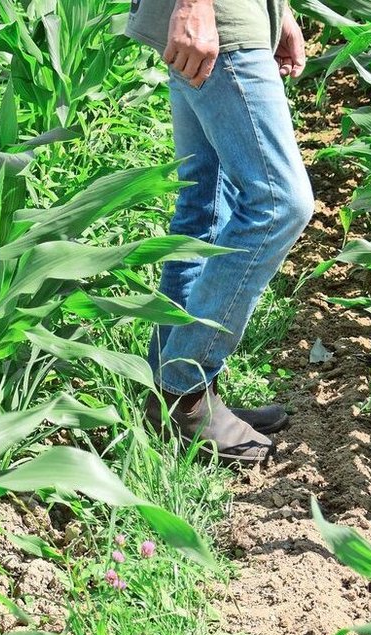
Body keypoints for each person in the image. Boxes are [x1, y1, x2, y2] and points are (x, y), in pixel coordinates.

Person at [125, 0, 315, 464]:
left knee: (204, 207)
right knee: (279, 204)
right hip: (217, 18)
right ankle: (183, 390)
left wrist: (278, 12)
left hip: (228, 15)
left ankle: (166, 391)